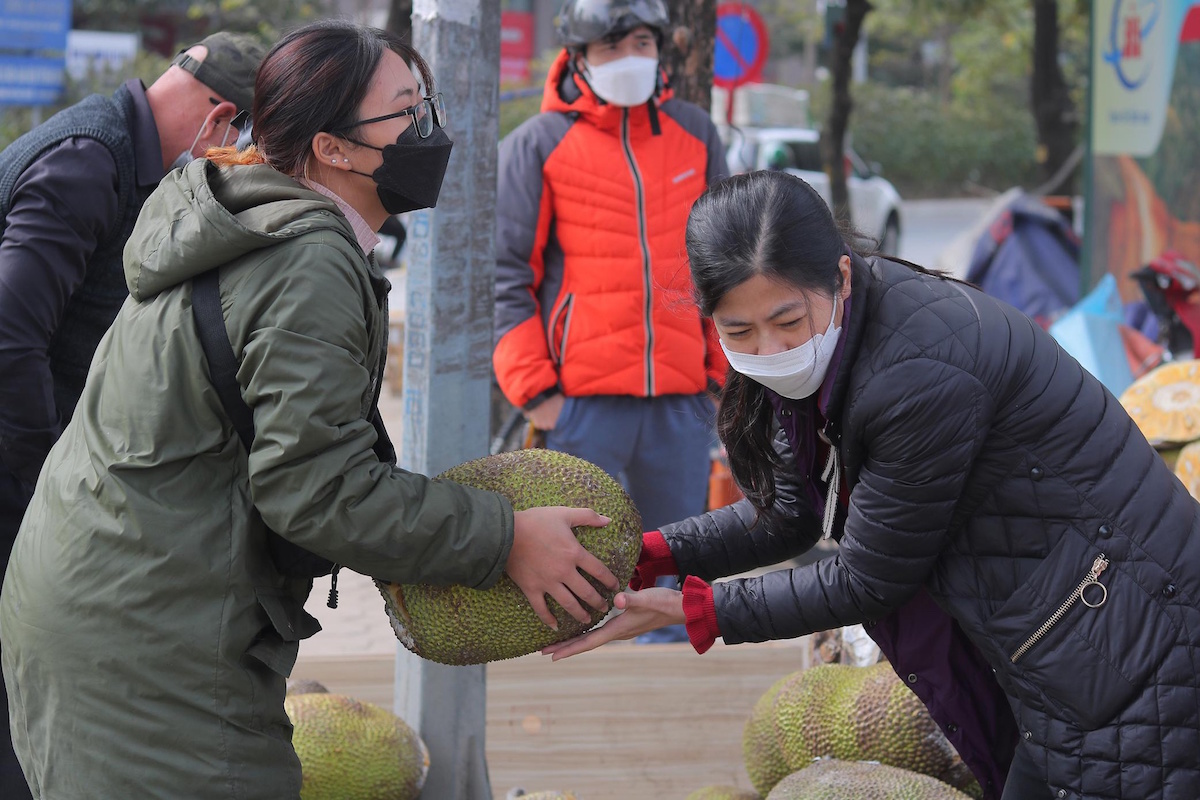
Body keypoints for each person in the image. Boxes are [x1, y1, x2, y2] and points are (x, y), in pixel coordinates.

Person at [0, 20, 617, 798]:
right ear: (333, 148)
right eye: (406, 112)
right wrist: (503, 538)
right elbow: (315, 490)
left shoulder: (251, 214)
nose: (430, 127)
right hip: (144, 633)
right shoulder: (307, 260)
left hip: (111, 599)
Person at [545, 170, 1200, 800]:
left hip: (1134, 634)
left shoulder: (918, 376)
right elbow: (789, 516)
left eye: (786, 322)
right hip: (1062, 634)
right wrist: (649, 553)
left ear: (842, 275)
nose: (768, 349)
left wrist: (698, 611)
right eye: (738, 331)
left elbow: (867, 578)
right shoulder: (828, 349)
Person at [0, 30, 265, 799]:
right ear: (222, 119)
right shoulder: (89, 161)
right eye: (250, 140)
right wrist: (36, 479)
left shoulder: (117, 149)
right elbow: (12, 337)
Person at [493, 0, 729, 642]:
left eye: (644, 43)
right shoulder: (537, 144)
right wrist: (538, 395)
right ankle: (574, 696)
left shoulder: (696, 133)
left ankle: (666, 705)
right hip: (579, 406)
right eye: (611, 46)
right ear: (578, 59)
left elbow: (722, 266)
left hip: (681, 402)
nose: (631, 59)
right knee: (578, 572)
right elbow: (505, 274)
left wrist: (719, 377)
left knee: (674, 576)